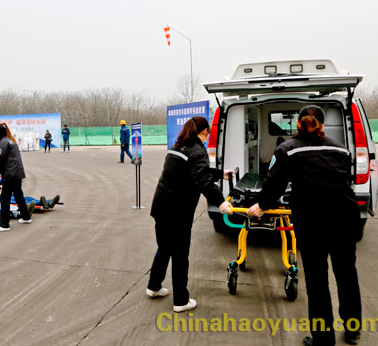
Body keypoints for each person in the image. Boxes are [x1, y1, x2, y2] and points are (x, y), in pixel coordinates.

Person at [246, 106, 362, 346]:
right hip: (345, 218)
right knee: (347, 275)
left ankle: (323, 339)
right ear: (323, 124)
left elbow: (274, 184)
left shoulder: (287, 149)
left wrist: (261, 205)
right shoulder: (341, 149)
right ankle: (353, 330)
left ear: (298, 124)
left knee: (318, 282)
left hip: (313, 222)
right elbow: (346, 182)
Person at [146, 116, 233, 312]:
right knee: (180, 255)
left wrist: (221, 173)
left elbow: (194, 172)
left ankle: (154, 286)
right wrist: (220, 202)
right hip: (178, 212)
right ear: (204, 131)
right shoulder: (198, 151)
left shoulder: (178, 147)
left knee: (164, 248)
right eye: (208, 132)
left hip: (161, 208)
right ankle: (181, 301)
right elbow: (202, 179)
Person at [0, 122, 32, 232]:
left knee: (5, 199)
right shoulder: (10, 140)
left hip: (10, 174)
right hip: (17, 173)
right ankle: (26, 217)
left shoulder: (2, 143)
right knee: (19, 195)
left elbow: (0, 160)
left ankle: (4, 224)